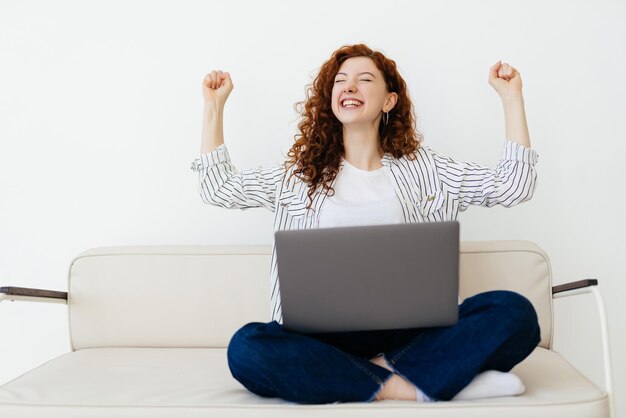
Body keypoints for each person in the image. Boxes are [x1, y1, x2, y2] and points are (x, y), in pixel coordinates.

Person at [190, 44, 540, 404]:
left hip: (413, 334)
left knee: (516, 313)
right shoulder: (298, 178)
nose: (349, 86)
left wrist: (511, 99)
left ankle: (366, 373)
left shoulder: (427, 170)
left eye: (364, 79)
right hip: (321, 340)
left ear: (389, 101)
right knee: (247, 348)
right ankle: (411, 385)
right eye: (340, 81)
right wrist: (213, 107)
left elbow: (513, 185)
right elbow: (218, 188)